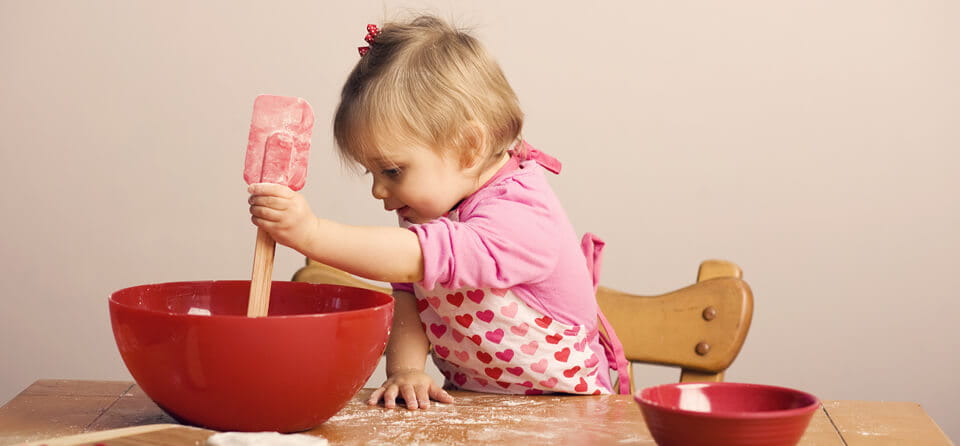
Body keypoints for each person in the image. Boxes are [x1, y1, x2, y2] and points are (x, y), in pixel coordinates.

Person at [247, 15, 628, 410]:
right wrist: (407, 370)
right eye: (372, 173)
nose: (378, 189)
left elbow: (417, 259)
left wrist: (311, 234)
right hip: (475, 407)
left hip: (571, 411)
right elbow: (410, 294)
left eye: (392, 170)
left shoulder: (522, 215)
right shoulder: (433, 209)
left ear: (467, 147)